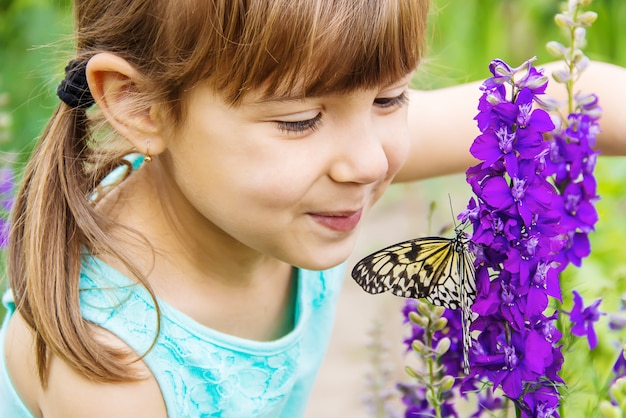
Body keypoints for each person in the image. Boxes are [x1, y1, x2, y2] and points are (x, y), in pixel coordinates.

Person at [1, 0, 625, 417]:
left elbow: (576, 93)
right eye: (300, 120)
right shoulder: (107, 369)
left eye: (390, 98)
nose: (371, 164)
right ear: (140, 106)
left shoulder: (293, 179)